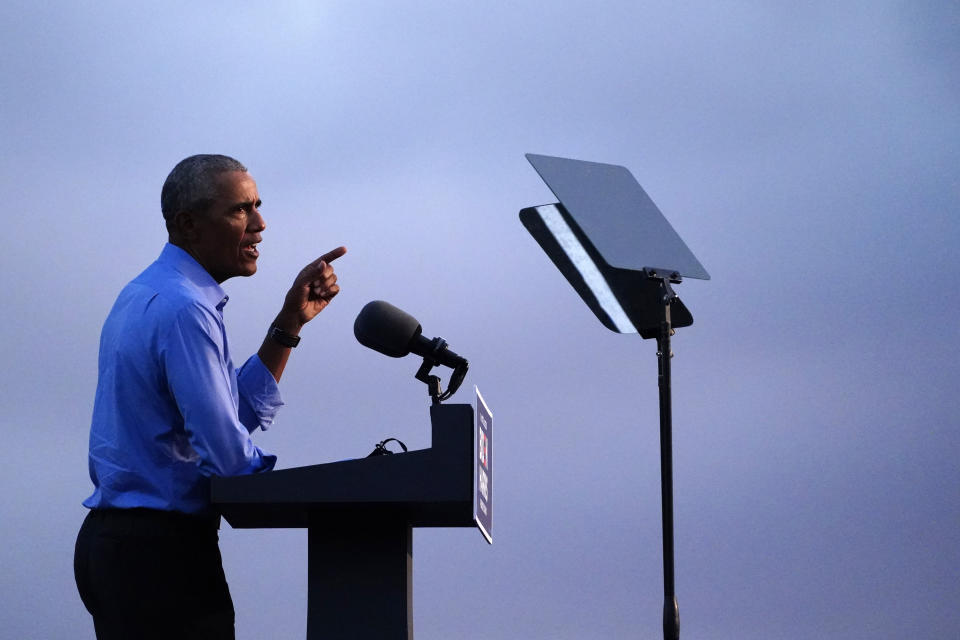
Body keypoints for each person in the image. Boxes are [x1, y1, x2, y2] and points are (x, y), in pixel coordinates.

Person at [73, 154, 346, 639]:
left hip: (123, 547)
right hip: (158, 557)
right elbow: (226, 454)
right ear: (188, 224)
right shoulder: (185, 308)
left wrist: (289, 324)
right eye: (240, 210)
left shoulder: (152, 292)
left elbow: (228, 418)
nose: (260, 224)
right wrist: (337, 496)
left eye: (258, 206)